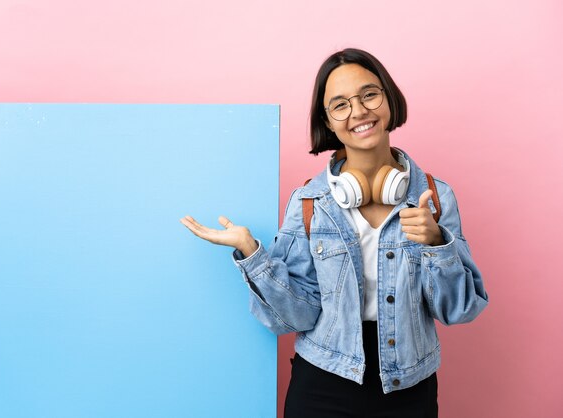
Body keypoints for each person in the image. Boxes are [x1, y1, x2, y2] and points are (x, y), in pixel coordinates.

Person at [180, 48, 488, 418]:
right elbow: (294, 317)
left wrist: (438, 244)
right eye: (340, 105)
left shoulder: (435, 197)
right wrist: (252, 254)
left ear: (388, 98)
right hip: (323, 383)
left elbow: (460, 310)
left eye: (369, 94)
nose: (358, 111)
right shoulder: (310, 201)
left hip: (410, 384)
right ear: (327, 121)